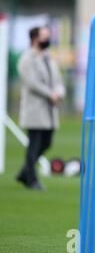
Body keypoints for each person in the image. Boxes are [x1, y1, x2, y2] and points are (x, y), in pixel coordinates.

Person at [16, 26, 65, 190]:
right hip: (35, 110)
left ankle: (24, 172)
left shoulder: (48, 58)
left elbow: (58, 79)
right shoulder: (26, 59)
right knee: (35, 144)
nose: (47, 39)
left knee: (47, 143)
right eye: (44, 36)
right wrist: (50, 94)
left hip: (49, 110)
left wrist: (58, 92)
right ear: (35, 38)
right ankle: (31, 179)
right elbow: (32, 83)